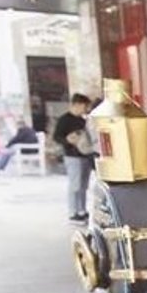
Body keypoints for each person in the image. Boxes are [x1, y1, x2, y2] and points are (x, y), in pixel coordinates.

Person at [54, 93, 92, 222]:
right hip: (72, 156)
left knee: (84, 185)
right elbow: (56, 137)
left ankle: (82, 210)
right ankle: (73, 212)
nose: (86, 109)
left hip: (85, 155)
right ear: (77, 104)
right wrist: (68, 140)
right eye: (85, 106)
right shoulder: (64, 119)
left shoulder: (82, 121)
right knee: (75, 185)